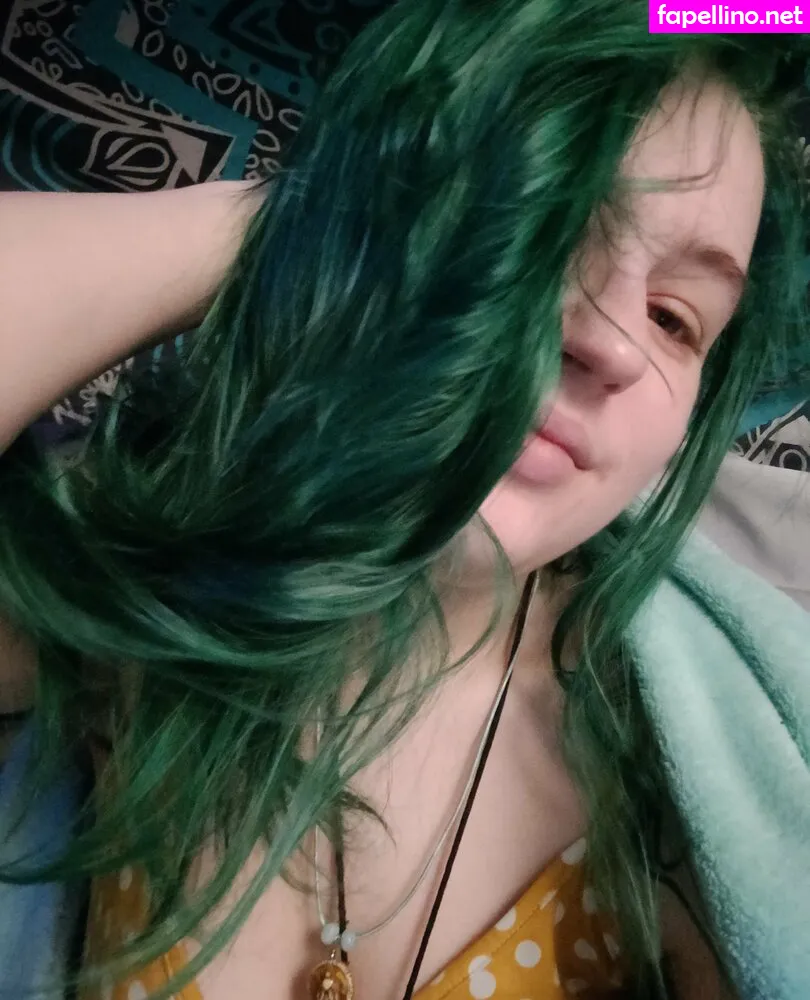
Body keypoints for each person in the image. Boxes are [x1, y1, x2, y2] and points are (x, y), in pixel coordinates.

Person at [0, 2, 808, 999]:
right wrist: (294, 227)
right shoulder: (131, 606)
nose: (613, 344)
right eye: (542, 225)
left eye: (676, 318)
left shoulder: (686, 781)